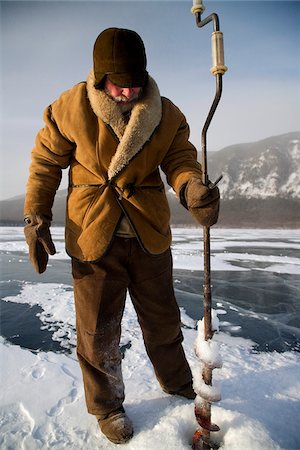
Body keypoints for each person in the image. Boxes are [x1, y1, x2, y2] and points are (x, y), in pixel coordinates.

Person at [24, 27, 220, 444]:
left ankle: (176, 381)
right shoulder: (70, 108)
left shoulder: (165, 113)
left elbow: (181, 160)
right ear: (99, 77)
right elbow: (44, 164)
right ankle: (107, 406)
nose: (128, 93)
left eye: (134, 84)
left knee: (164, 321)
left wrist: (192, 189)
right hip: (94, 234)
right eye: (118, 84)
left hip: (147, 233)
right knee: (97, 333)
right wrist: (35, 216)